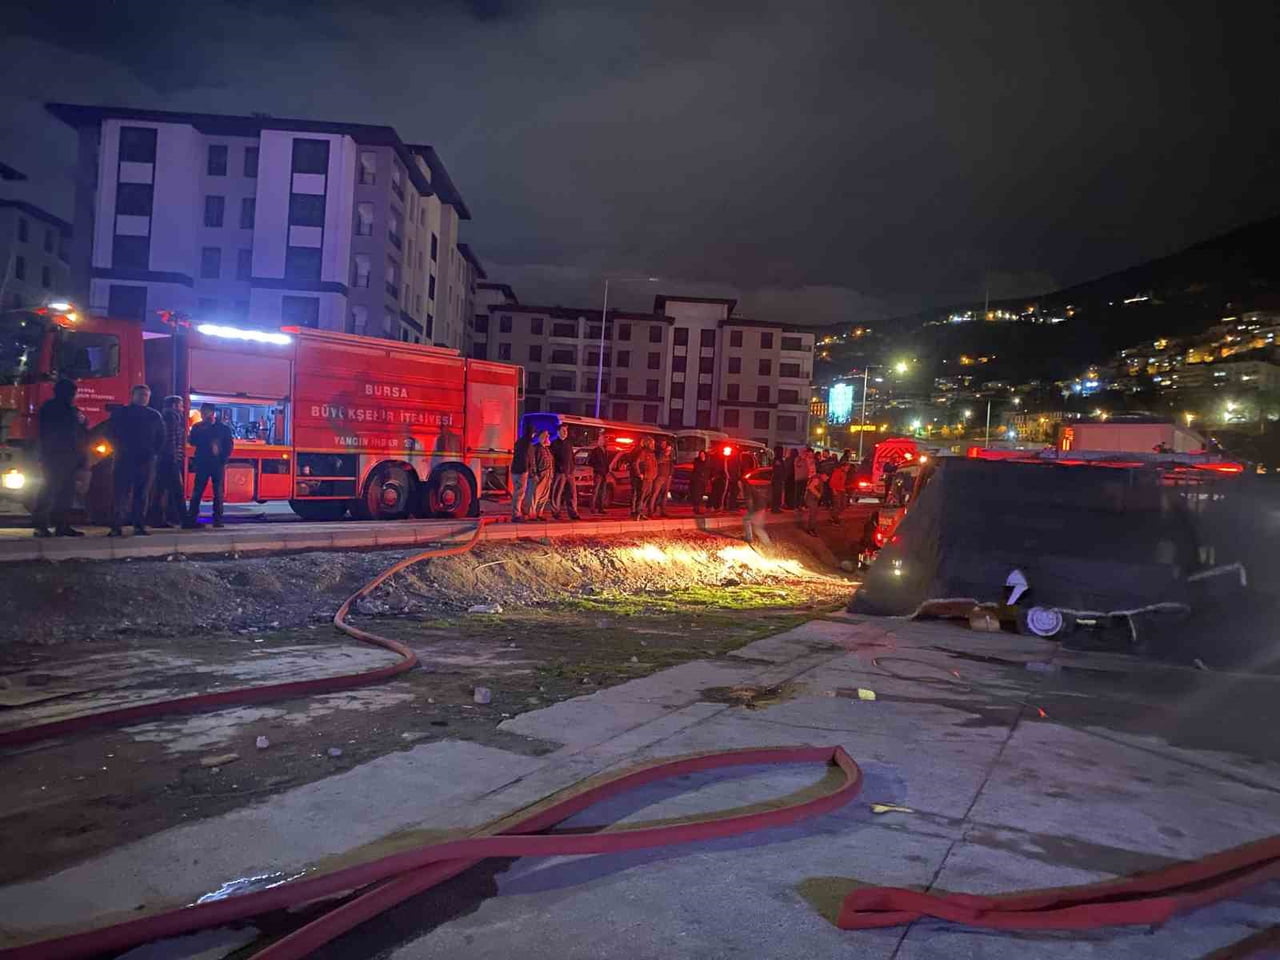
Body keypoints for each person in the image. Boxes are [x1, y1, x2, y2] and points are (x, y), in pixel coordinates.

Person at [32, 377, 88, 538]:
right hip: (56, 455)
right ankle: (42, 525)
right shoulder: (55, 409)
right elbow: (56, 432)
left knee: (65, 491)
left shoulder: (66, 409)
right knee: (51, 489)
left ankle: (60, 525)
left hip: (66, 455)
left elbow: (81, 429)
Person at [107, 384, 165, 536]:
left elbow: (161, 437)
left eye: (146, 396)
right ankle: (116, 525)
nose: (143, 398)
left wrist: (153, 453)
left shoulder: (154, 416)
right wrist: (118, 448)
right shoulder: (121, 413)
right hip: (124, 458)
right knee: (121, 493)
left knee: (142, 493)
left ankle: (139, 525)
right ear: (132, 396)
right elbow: (110, 432)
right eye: (140, 395)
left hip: (145, 460)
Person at [184, 402, 234, 529]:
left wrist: (222, 457)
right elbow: (192, 441)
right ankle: (192, 518)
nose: (202, 414)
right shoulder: (198, 427)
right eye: (202, 412)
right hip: (203, 462)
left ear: (212, 412)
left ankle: (217, 519)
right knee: (198, 491)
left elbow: (229, 446)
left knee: (218, 492)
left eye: (204, 412)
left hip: (216, 463)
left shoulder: (223, 428)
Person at [152, 395, 187, 528]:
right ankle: (184, 520)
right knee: (177, 491)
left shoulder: (163, 416)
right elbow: (171, 439)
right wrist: (174, 457)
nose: (182, 409)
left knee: (160, 489)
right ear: (174, 406)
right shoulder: (172, 417)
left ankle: (157, 518)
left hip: (163, 458)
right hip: (169, 459)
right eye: (180, 405)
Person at [548, 424, 581, 520]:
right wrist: (559, 468)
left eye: (566, 431)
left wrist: (572, 467)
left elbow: (571, 457)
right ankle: (556, 512)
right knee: (557, 492)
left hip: (570, 472)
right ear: (558, 432)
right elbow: (552, 459)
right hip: (560, 472)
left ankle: (573, 512)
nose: (565, 432)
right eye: (563, 431)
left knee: (572, 493)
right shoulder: (554, 444)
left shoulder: (568, 443)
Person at [523, 430, 554, 519]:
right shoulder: (535, 448)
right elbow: (533, 462)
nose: (548, 438)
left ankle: (539, 513)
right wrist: (534, 474)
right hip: (539, 474)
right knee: (534, 495)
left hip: (548, 475)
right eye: (546, 436)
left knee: (544, 496)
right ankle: (531, 514)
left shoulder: (547, 449)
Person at [742, 464, 773, 547]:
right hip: (761, 507)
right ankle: (748, 538)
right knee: (746, 520)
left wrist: (751, 510)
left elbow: (749, 500)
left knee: (758, 528)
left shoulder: (748, 486)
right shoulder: (765, 485)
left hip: (757, 509)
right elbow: (769, 498)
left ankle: (768, 544)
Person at [510, 423, 535, 521]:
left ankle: (516, 512)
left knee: (516, 492)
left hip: (514, 470)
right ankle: (516, 514)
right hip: (522, 471)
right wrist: (529, 470)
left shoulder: (519, 442)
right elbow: (528, 458)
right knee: (520, 493)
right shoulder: (528, 444)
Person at [630, 436, 657, 520]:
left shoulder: (651, 454)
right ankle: (637, 513)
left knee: (647, 496)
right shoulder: (643, 452)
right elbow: (635, 463)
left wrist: (654, 474)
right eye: (652, 443)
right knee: (641, 496)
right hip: (645, 478)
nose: (653, 445)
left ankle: (641, 512)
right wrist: (639, 474)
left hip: (650, 478)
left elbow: (654, 465)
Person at [647, 438, 674, 517]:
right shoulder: (658, 453)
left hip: (667, 476)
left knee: (664, 494)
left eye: (665, 444)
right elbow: (658, 461)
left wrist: (670, 474)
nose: (664, 445)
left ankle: (663, 510)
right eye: (662, 444)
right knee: (655, 493)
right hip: (659, 476)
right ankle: (651, 511)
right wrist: (666, 454)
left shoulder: (670, 456)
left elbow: (672, 464)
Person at [588, 437, 611, 514]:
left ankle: (601, 508)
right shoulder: (595, 451)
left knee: (603, 491)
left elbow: (606, 462)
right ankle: (592, 507)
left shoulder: (606, 451)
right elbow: (590, 461)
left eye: (605, 441)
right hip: (598, 473)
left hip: (604, 473)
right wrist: (597, 467)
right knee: (596, 491)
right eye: (603, 441)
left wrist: (607, 470)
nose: (605, 442)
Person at [802, 467, 825, 536]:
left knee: (814, 514)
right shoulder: (817, 479)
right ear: (823, 474)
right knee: (813, 514)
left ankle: (812, 528)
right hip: (811, 499)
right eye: (827, 476)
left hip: (812, 499)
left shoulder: (817, 478)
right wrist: (818, 495)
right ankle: (810, 529)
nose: (827, 478)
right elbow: (810, 487)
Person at [689, 450, 710, 515]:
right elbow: (696, 469)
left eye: (703, 454)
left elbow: (708, 471)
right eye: (701, 454)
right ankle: (696, 508)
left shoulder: (707, 462)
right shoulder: (697, 461)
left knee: (701, 495)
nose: (702, 455)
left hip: (703, 481)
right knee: (696, 495)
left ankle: (699, 508)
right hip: (697, 480)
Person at [770, 445, 786, 513]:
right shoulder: (777, 460)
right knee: (776, 495)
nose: (782, 453)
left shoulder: (779, 460)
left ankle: (776, 508)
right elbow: (778, 471)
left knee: (777, 495)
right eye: (781, 451)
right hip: (777, 480)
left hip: (778, 480)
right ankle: (775, 508)